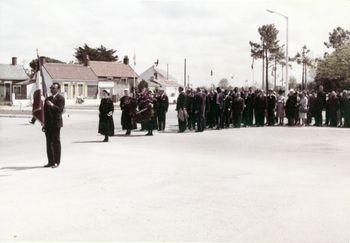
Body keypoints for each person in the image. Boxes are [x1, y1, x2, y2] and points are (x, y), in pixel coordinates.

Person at [43, 82, 65, 168]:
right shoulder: (47, 99)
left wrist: (52, 105)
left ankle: (56, 162)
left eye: (53, 88)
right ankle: (50, 161)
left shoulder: (61, 98)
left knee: (56, 142)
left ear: (58, 89)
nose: (51, 89)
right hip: (48, 124)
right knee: (49, 143)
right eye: (51, 88)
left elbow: (60, 110)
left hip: (56, 123)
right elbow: (45, 112)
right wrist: (43, 123)